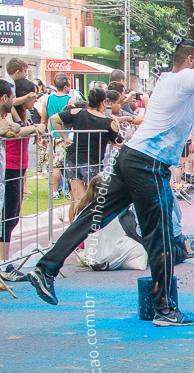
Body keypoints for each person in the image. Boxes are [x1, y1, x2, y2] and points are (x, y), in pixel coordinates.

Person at [26, 6, 194, 326]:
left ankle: (45, 268)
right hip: (147, 165)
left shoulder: (174, 79)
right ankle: (164, 309)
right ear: (190, 62)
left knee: (94, 215)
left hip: (132, 159)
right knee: (159, 236)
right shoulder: (182, 81)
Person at [0, 82, 46, 283]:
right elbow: (10, 131)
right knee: (7, 217)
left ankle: (4, 263)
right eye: (32, 96)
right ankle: (3, 264)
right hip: (9, 168)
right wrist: (30, 128)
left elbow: (13, 128)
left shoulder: (14, 115)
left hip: (13, 168)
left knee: (10, 216)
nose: (35, 100)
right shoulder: (9, 116)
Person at [49, 87, 123, 204]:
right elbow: (119, 143)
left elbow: (54, 119)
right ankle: (89, 219)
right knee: (94, 199)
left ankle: (80, 219)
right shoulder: (108, 123)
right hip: (92, 161)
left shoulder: (77, 112)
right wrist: (117, 124)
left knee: (79, 197)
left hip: (73, 159)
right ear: (104, 102)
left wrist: (66, 138)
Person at [38, 72, 74, 200]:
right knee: (68, 165)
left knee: (55, 165)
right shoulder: (70, 100)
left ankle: (54, 192)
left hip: (52, 136)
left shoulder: (47, 99)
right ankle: (71, 190)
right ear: (65, 86)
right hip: (66, 135)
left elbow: (43, 118)